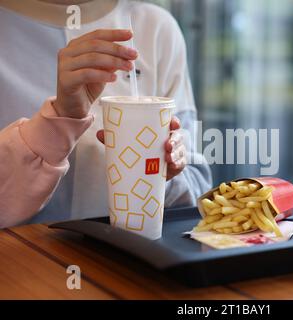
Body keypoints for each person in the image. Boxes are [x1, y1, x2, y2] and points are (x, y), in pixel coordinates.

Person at [0, 0, 212, 228]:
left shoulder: (155, 27)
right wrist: (62, 117)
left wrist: (158, 173)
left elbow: (197, 190)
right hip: (22, 260)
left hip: (130, 257)